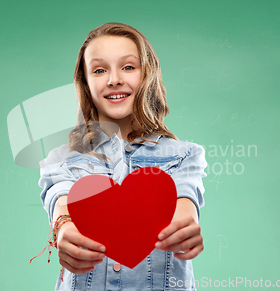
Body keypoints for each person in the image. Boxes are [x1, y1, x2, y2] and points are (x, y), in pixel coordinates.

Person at [38, 22, 207, 290]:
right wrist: (65, 228)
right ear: (85, 82)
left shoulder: (185, 155)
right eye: (99, 70)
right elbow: (61, 200)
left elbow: (185, 200)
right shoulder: (60, 159)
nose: (114, 79)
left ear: (147, 74)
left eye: (128, 67)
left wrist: (184, 226)